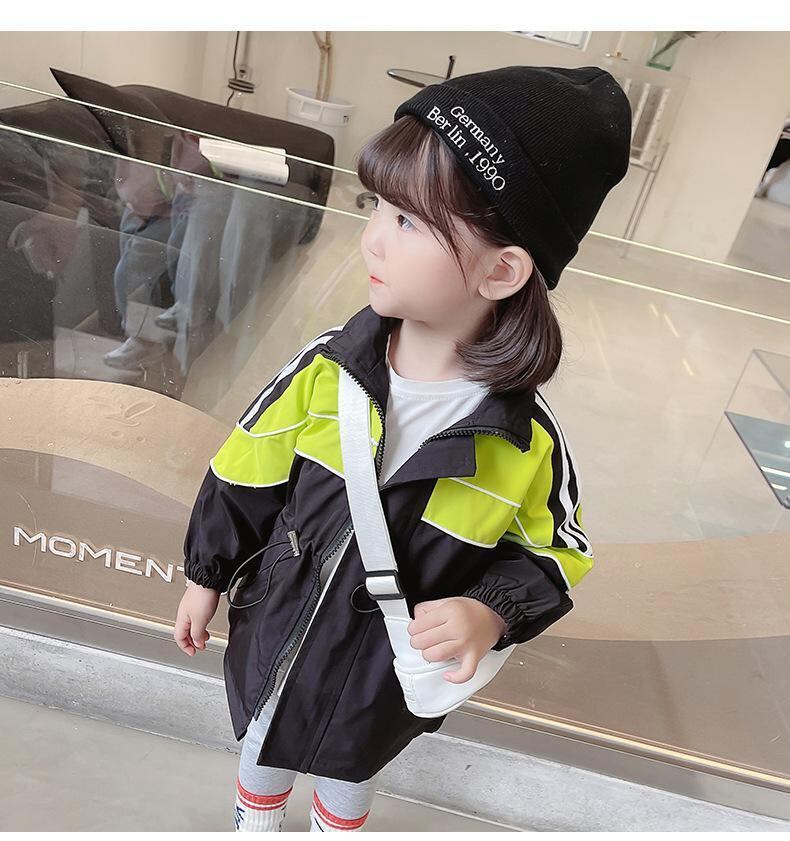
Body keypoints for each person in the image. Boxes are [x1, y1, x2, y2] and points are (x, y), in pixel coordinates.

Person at [173, 65, 632, 832]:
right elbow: (245, 468)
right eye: (377, 207)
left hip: (377, 673)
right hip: (282, 628)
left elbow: (559, 550)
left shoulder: (524, 442)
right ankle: (257, 818)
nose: (374, 237)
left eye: (410, 221)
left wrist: (489, 610)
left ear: (502, 269)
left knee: (351, 765)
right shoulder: (326, 371)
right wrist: (206, 572)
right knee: (261, 737)